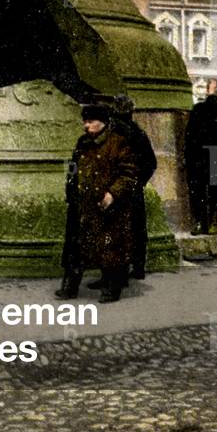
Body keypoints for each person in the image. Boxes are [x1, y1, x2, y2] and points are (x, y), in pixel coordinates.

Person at [56, 102, 138, 303]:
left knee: (110, 248)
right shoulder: (82, 142)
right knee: (75, 248)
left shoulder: (118, 143)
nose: (86, 125)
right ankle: (69, 287)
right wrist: (70, 191)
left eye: (90, 121)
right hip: (82, 203)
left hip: (107, 205)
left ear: (103, 122)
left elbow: (129, 174)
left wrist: (112, 194)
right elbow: (73, 169)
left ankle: (111, 288)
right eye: (84, 121)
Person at [112, 94, 157, 280]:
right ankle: (138, 267)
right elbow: (151, 162)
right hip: (133, 187)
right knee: (137, 227)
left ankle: (116, 273)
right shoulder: (139, 133)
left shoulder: (112, 133)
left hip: (114, 188)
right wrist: (139, 182)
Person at [184, 79, 217, 236]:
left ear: (215, 89)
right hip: (215, 152)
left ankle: (200, 222)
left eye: (210, 85)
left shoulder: (202, 108)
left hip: (198, 153)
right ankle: (212, 223)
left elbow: (189, 134)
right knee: (214, 188)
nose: (206, 88)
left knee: (199, 189)